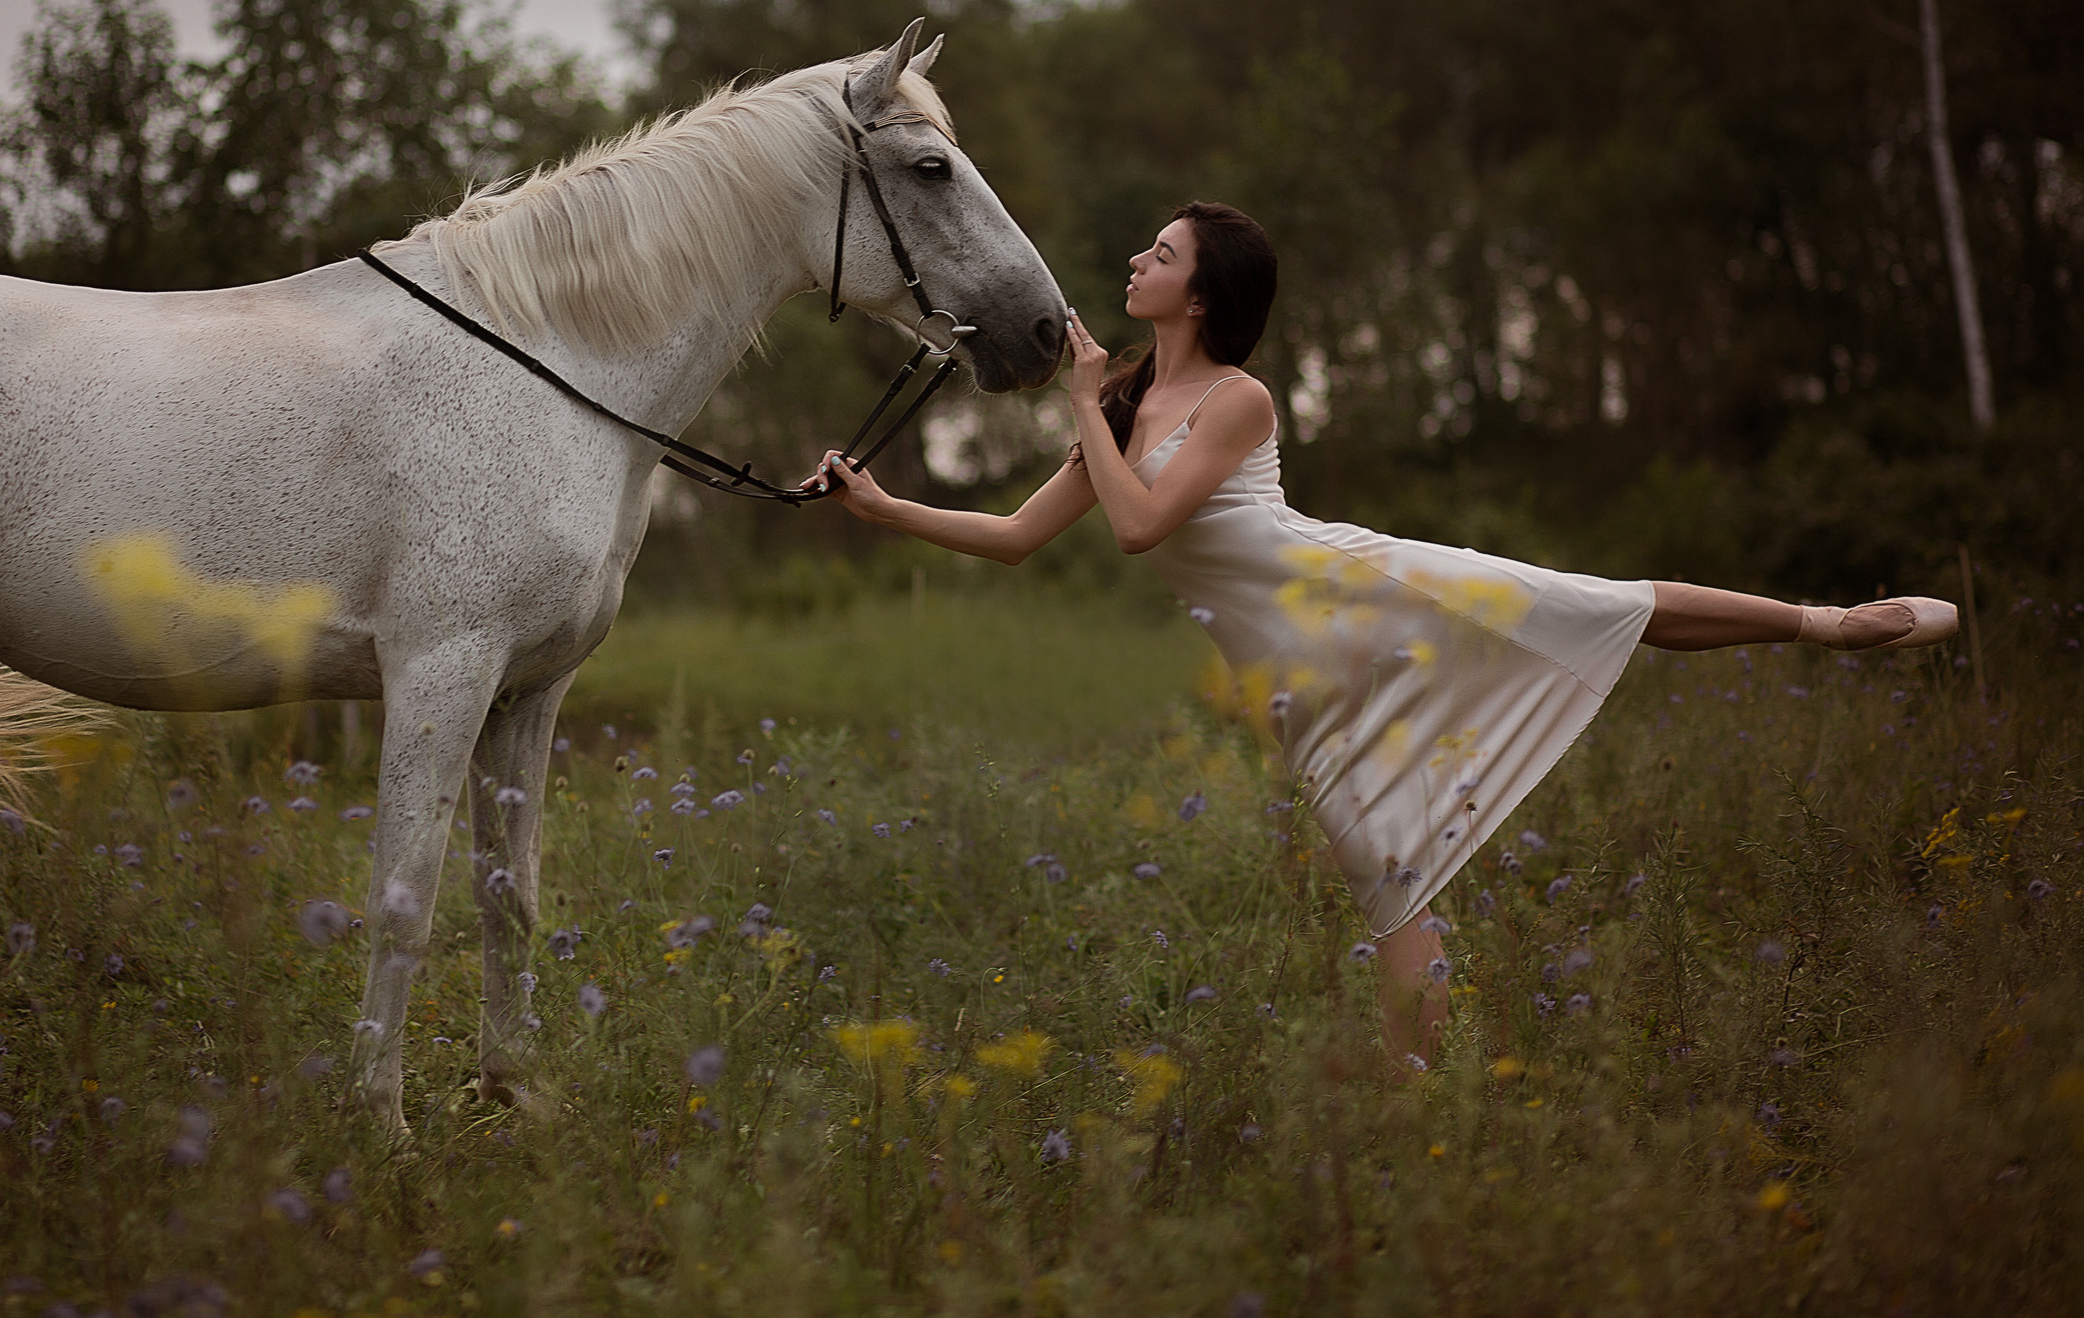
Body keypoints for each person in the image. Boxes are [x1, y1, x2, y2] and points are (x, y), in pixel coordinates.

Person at [813, 202, 1956, 1063]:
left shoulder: (1233, 399)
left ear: (1202, 296)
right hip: (1288, 664)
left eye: (1159, 255)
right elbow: (1018, 538)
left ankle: (1830, 625)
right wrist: (881, 506)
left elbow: (1140, 528)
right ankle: (1425, 1113)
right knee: (1388, 879)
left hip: (1357, 588)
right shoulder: (1116, 411)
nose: (1134, 262)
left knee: (1593, 604)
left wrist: (1077, 403)